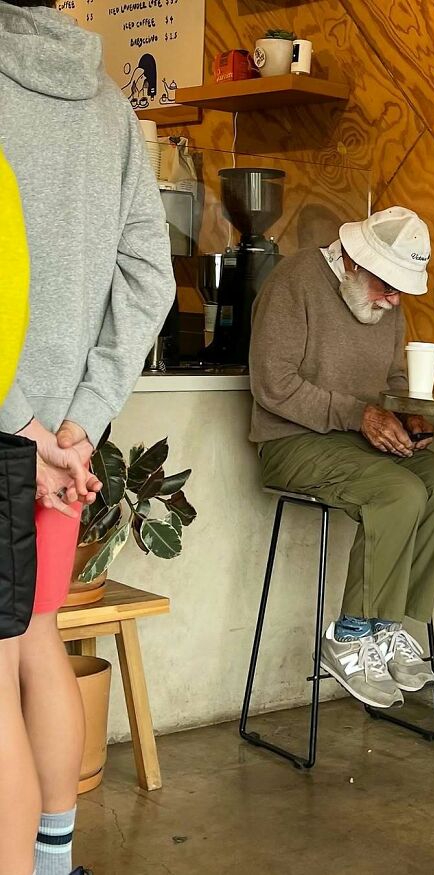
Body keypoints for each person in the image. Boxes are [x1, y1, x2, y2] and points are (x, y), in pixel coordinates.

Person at [0, 2, 176, 874]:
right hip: (66, 442)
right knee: (41, 643)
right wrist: (79, 420)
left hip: (9, 434)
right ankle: (54, 859)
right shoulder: (114, 109)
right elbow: (151, 278)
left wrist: (20, 425)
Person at [250, 206, 434, 710]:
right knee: (398, 492)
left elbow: (392, 382)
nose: (393, 300)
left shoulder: (384, 304)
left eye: (400, 290)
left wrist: (407, 414)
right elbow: (273, 386)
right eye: (386, 285)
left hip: (359, 441)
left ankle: (387, 627)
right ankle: (349, 634)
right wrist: (361, 415)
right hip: (292, 442)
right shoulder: (294, 284)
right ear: (350, 260)